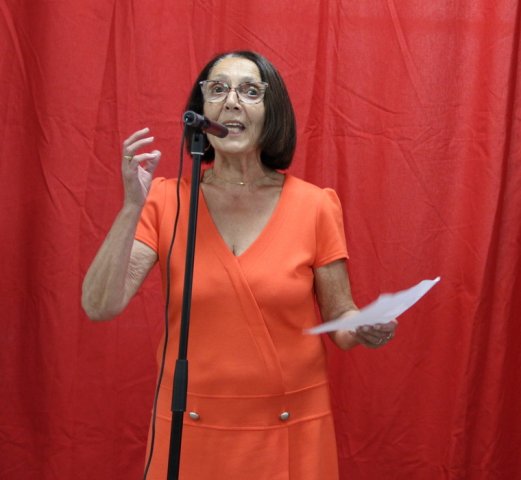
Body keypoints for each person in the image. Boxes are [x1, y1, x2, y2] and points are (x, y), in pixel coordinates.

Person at [82, 50, 397, 480]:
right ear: (201, 112)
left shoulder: (315, 206)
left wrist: (364, 326)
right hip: (189, 430)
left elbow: (340, 317)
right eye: (217, 89)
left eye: (250, 91)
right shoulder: (166, 200)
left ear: (273, 112)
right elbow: (100, 305)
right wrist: (131, 207)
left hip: (291, 431)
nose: (231, 102)